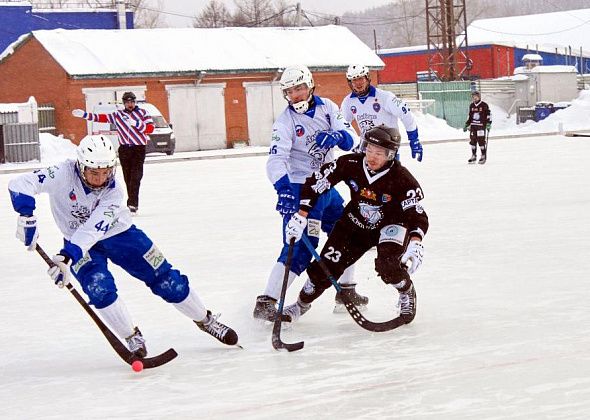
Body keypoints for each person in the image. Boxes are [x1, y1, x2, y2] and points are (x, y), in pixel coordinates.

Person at [8, 135, 238, 358]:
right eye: (94, 173)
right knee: (99, 290)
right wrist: (26, 215)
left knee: (168, 281)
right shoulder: (60, 173)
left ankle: (206, 320)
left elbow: (93, 228)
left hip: (121, 235)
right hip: (77, 242)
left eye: (106, 172)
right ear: (80, 166)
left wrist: (67, 257)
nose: (100, 179)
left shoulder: (115, 192)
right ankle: (131, 336)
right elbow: (19, 184)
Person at [281, 125, 429, 325]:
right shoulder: (350, 163)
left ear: (391, 154)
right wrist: (301, 215)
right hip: (353, 224)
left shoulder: (402, 178)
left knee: (388, 266)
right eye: (369, 149)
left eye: (379, 153)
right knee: (325, 268)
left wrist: (416, 240)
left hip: (390, 225)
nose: (372, 156)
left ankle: (406, 290)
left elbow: (416, 214)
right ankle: (300, 305)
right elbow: (317, 182)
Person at [253, 64, 367, 322]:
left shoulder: (327, 107)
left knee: (350, 232)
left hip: (327, 185)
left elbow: (350, 139)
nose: (296, 95)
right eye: (290, 91)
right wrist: (283, 190)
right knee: (302, 249)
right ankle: (266, 302)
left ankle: (346, 291)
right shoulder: (285, 122)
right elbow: (275, 160)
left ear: (310, 86)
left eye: (300, 88)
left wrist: (337, 135)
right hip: (301, 189)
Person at [72, 91, 153, 214]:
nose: (130, 104)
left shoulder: (143, 113)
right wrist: (84, 115)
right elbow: (101, 118)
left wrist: (136, 124)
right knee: (128, 177)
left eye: (132, 102)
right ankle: (131, 202)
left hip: (138, 148)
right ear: (124, 103)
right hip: (125, 148)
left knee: (136, 177)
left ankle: (132, 203)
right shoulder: (118, 115)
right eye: (127, 102)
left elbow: (150, 129)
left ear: (135, 102)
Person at [341, 64, 423, 162]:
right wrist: (353, 142)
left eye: (361, 79)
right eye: (354, 80)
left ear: (367, 78)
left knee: (389, 177)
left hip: (387, 149)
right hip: (366, 150)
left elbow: (406, 114)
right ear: (350, 83)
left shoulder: (385, 97)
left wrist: (414, 140)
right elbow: (343, 124)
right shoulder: (348, 102)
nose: (358, 83)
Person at [463, 90, 492, 164]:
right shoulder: (471, 105)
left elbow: (489, 115)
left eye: (476, 96)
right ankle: (473, 155)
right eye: (473, 97)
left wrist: (488, 123)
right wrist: (467, 124)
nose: (474, 98)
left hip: (481, 126)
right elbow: (470, 116)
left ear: (479, 97)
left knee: (481, 141)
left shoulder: (484, 105)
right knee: (472, 141)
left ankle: (483, 155)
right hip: (473, 126)